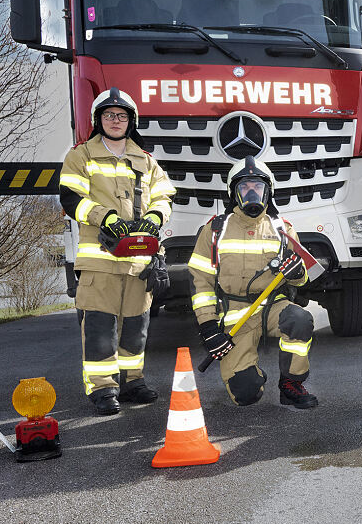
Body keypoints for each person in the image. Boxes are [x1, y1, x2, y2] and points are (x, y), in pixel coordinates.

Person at [58, 88, 175, 415]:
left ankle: (132, 381)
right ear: (98, 120)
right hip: (100, 261)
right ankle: (103, 389)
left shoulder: (146, 160)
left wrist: (155, 217)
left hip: (140, 261)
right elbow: (71, 199)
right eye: (108, 115)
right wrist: (105, 217)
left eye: (121, 116)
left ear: (131, 121)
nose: (115, 120)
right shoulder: (81, 156)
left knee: (136, 325)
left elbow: (164, 197)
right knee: (99, 328)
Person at [188, 157, 318, 409]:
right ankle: (251, 376)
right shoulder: (215, 230)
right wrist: (209, 329)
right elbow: (200, 282)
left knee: (300, 319)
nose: (251, 193)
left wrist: (295, 272)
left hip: (272, 307)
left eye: (257, 187)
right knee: (245, 395)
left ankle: (291, 383)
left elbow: (302, 277)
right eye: (244, 187)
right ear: (233, 193)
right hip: (234, 315)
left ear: (267, 192)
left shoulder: (282, 229)